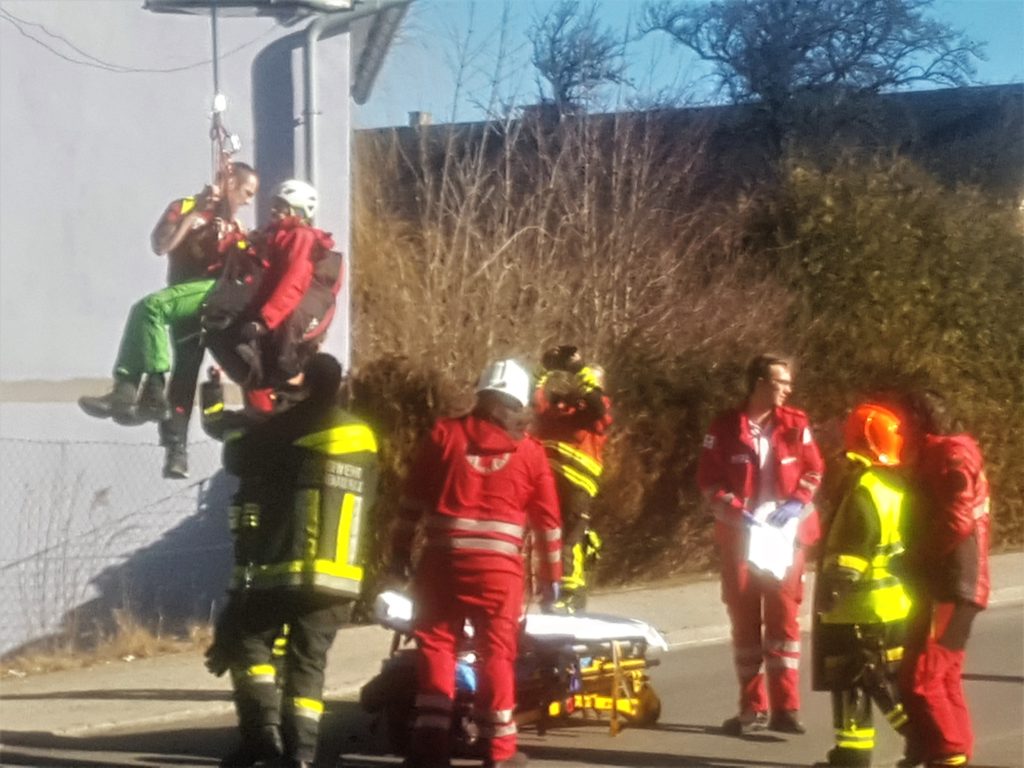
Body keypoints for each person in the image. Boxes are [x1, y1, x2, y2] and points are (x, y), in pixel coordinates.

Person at [206, 352, 380, 768]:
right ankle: (301, 754)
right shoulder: (364, 437)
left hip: (285, 565)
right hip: (340, 573)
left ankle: (264, 731)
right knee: (309, 662)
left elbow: (238, 459)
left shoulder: (290, 427)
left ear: (306, 385)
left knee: (248, 640)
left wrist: (233, 416)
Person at [390, 358, 563, 768]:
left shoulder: (443, 435)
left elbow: (410, 503)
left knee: (437, 644)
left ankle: (430, 747)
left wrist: (399, 555)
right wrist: (552, 579)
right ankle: (499, 751)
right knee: (497, 653)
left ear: (482, 395)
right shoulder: (531, 453)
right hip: (499, 572)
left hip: (443, 563)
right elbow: (548, 524)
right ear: (520, 403)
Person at [78, 162, 259, 479]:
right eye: (246, 192)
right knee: (180, 367)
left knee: (153, 317)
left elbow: (242, 271)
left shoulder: (234, 226)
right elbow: (161, 245)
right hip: (182, 299)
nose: (247, 201)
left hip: (212, 301)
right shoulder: (184, 207)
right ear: (230, 182)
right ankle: (153, 422)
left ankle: (149, 394)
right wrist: (195, 216)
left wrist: (236, 239)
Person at [696, 352, 824, 736]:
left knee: (784, 620)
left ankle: (787, 709)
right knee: (745, 623)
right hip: (741, 537)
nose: (788, 389)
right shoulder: (724, 428)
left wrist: (796, 502)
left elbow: (814, 469)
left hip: (787, 539)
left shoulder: (795, 424)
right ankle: (752, 710)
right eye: (780, 382)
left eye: (788, 382)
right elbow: (709, 481)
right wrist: (736, 509)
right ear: (759, 384)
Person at [813, 403, 912, 767]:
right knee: (872, 682)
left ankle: (925, 742)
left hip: (856, 609)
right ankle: (851, 753)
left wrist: (831, 594)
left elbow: (850, 552)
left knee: (864, 682)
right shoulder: (895, 486)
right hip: (892, 605)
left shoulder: (863, 490)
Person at [896, 390, 991, 768]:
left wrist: (914, 556)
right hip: (949, 582)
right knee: (941, 677)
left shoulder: (950, 454)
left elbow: (957, 520)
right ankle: (951, 752)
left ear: (919, 420)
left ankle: (949, 754)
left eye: (902, 422)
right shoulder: (942, 452)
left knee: (925, 678)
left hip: (952, 583)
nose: (897, 431)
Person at [205, 179, 340, 412]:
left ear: (297, 209)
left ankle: (270, 407)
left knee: (265, 367)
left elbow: (293, 281)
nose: (274, 209)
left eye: (281, 205)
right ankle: (261, 403)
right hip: (262, 313)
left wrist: (264, 321)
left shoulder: (301, 236)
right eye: (274, 204)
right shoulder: (272, 233)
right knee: (223, 339)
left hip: (273, 319)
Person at [531, 344, 612, 611]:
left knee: (571, 537)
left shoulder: (595, 410)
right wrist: (546, 369)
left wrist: (580, 369)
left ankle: (571, 593)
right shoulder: (557, 408)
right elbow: (532, 400)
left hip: (577, 483)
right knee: (544, 535)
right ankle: (546, 588)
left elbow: (597, 405)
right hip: (545, 479)